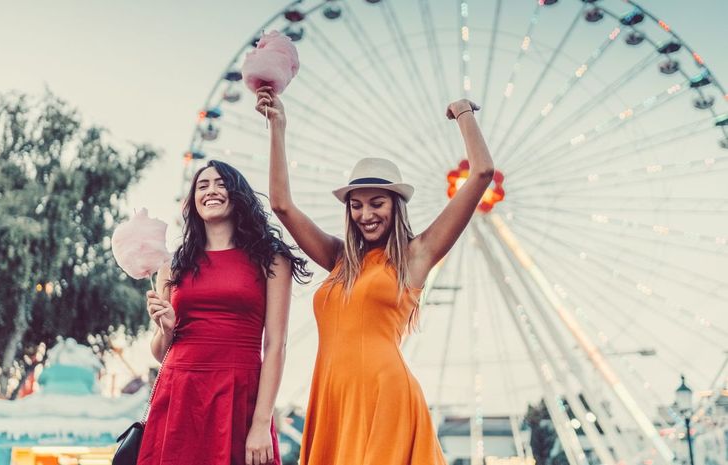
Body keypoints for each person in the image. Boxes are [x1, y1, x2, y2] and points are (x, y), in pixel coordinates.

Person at [256, 86, 495, 464]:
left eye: (377, 203)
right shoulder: (338, 259)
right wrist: (277, 127)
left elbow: (482, 173)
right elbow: (282, 206)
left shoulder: (416, 255)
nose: (366, 214)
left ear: (396, 206)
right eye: (356, 205)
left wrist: (463, 113)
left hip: (386, 394)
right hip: (333, 396)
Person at [137, 160, 311, 465]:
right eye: (202, 186)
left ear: (237, 194)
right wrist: (165, 328)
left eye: (221, 183)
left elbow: (275, 345)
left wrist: (260, 424)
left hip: (238, 393)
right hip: (179, 393)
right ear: (192, 201)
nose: (211, 191)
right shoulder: (172, 265)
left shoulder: (271, 260)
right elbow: (159, 352)